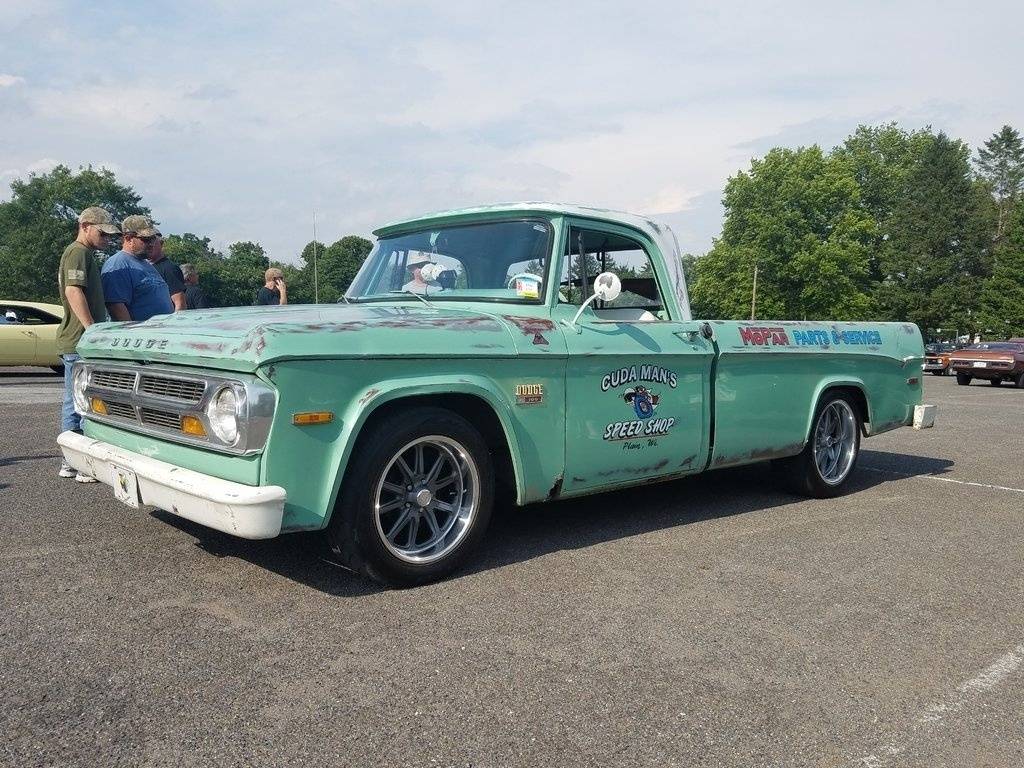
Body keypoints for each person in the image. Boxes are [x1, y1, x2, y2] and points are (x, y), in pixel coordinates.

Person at [57, 206, 121, 482]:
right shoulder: (78, 252)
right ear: (85, 226)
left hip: (78, 341)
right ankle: (74, 462)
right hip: (78, 341)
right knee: (78, 402)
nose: (106, 239)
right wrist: (91, 329)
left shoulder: (85, 254)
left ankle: (73, 461)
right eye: (102, 233)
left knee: (80, 400)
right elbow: (73, 290)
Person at [100, 215, 174, 321]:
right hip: (142, 335)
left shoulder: (146, 264)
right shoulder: (118, 265)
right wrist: (132, 334)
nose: (152, 244)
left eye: (153, 238)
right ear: (129, 239)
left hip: (161, 333)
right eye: (146, 239)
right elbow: (116, 306)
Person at [147, 235, 186, 311]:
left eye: (152, 242)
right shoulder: (144, 267)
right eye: (146, 242)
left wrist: (174, 322)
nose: (149, 245)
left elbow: (180, 303)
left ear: (161, 244)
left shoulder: (169, 268)